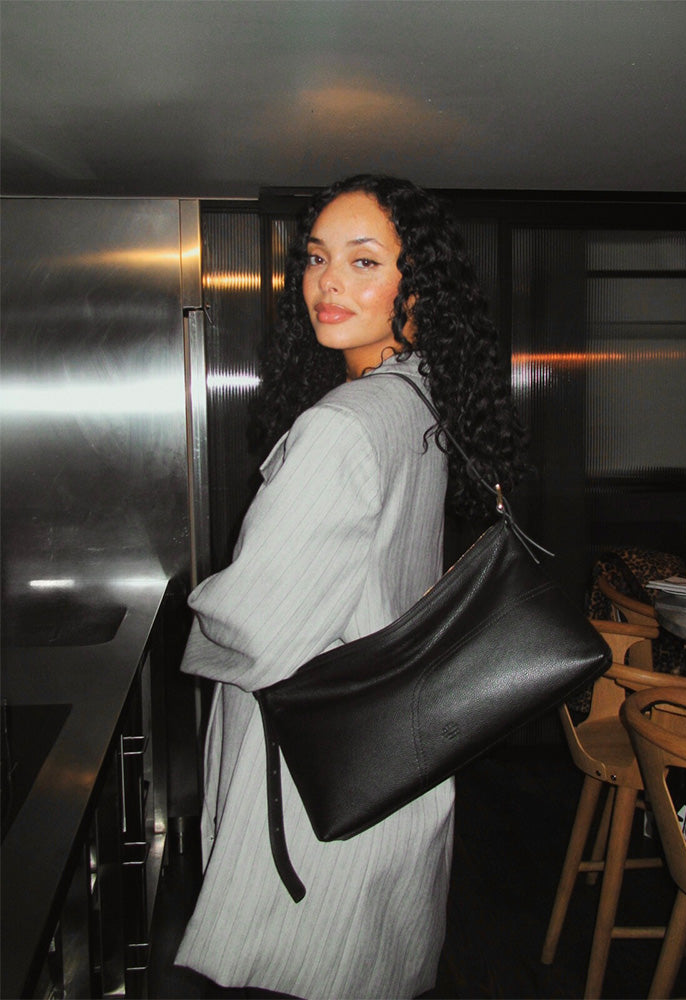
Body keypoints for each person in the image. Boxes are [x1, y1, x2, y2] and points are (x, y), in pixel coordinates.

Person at [175, 174, 527, 999]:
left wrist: (191, 620)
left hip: (315, 776)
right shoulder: (419, 400)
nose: (328, 283)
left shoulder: (341, 425)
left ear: (419, 286)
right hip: (392, 755)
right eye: (316, 258)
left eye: (364, 261)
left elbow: (256, 627)